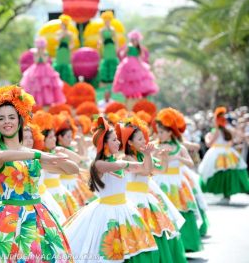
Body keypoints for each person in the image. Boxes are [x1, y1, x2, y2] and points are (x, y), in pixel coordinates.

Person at [0, 85, 77, 262]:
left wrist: (62, 156)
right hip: (6, 220)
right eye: (1, 118)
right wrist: (39, 154)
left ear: (19, 120)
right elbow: (3, 155)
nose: (7, 122)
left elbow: (74, 169)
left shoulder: (30, 154)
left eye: (11, 117)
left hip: (38, 217)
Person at [63, 117, 158, 261]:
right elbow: (110, 166)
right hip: (105, 211)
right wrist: (126, 164)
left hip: (124, 208)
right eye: (114, 140)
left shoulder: (120, 162)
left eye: (117, 139)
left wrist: (147, 155)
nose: (119, 142)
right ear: (104, 143)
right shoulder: (99, 164)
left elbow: (146, 170)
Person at [117, 117, 187, 263]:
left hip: (146, 199)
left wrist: (164, 157)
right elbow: (145, 170)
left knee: (156, 233)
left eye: (144, 138)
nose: (144, 141)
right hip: (133, 201)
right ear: (129, 142)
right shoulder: (126, 158)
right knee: (138, 236)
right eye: (140, 139)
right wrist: (149, 155)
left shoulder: (142, 155)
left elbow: (161, 170)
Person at [152, 108, 203, 252]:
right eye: (158, 131)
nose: (159, 134)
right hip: (160, 181)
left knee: (183, 211)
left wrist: (177, 157)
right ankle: (169, 248)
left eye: (162, 131)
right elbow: (150, 161)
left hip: (177, 182)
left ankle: (186, 244)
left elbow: (190, 163)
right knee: (164, 212)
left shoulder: (179, 147)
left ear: (169, 132)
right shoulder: (156, 146)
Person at [198, 107, 249, 203]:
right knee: (228, 173)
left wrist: (207, 138)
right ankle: (227, 195)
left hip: (217, 152)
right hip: (228, 152)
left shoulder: (217, 130)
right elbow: (233, 141)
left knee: (218, 172)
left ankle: (224, 194)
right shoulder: (228, 129)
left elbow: (209, 144)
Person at [22, 124, 67, 224]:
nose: (29, 141)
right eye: (25, 138)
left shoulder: (39, 157)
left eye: (31, 137)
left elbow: (67, 168)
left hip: (44, 198)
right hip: (24, 202)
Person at [112, 30, 159, 100]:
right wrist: (121, 53)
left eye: (136, 40)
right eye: (133, 40)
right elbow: (123, 54)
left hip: (136, 62)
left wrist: (142, 65)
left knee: (138, 78)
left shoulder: (139, 48)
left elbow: (140, 57)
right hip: (128, 63)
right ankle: (130, 95)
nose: (135, 42)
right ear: (131, 40)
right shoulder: (129, 46)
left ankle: (140, 94)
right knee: (129, 79)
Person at [20, 37, 66, 107]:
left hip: (46, 69)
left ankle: (47, 102)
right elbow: (36, 61)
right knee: (36, 86)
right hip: (36, 69)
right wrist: (38, 54)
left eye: (41, 47)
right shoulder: (35, 53)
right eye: (39, 47)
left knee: (46, 85)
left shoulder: (45, 52)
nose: (40, 49)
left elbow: (45, 61)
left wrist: (42, 54)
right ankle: (37, 102)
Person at [94, 11, 119, 85]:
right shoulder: (101, 30)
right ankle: (106, 79)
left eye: (108, 21)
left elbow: (116, 39)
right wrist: (99, 44)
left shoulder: (112, 29)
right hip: (106, 47)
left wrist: (117, 48)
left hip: (111, 47)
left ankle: (113, 78)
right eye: (106, 21)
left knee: (112, 60)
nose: (107, 22)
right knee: (106, 60)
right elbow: (100, 39)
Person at [53, 14, 77, 85]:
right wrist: (62, 35)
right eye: (61, 24)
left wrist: (70, 47)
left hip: (66, 51)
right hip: (60, 51)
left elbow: (73, 44)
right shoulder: (58, 33)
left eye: (63, 24)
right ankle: (58, 82)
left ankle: (66, 83)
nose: (62, 26)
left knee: (66, 65)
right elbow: (56, 40)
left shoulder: (70, 34)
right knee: (59, 64)